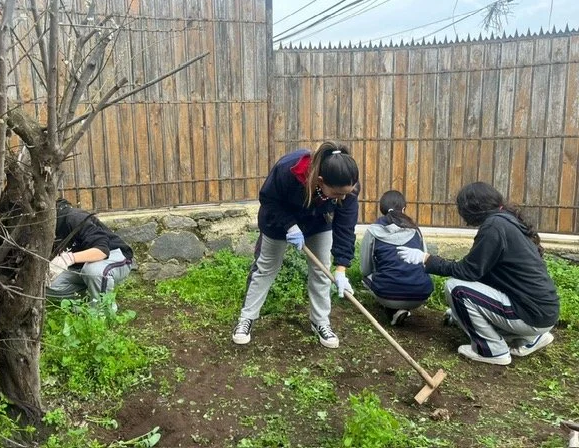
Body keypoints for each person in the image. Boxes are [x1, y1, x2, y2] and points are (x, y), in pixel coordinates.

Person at [397, 182, 559, 365]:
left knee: (456, 288)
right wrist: (459, 313)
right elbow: (480, 271)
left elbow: (467, 271)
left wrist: (427, 259)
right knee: (465, 295)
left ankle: (492, 351)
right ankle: (531, 339)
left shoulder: (494, 227)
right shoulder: (507, 221)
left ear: (471, 209)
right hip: (544, 312)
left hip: (530, 314)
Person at [232, 141, 360, 349]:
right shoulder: (289, 170)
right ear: (320, 181)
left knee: (321, 270)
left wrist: (341, 268)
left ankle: (320, 322)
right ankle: (246, 318)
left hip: (317, 222)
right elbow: (268, 199)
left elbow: (345, 226)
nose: (343, 198)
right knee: (265, 268)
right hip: (277, 221)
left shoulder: (347, 182)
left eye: (347, 193)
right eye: (337, 194)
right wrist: (290, 226)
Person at [360, 190, 433, 326]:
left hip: (388, 295)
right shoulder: (416, 230)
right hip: (421, 294)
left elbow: (365, 269)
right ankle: (401, 309)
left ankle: (392, 310)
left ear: (382, 209)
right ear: (403, 209)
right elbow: (425, 262)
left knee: (366, 278)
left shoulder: (373, 231)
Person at [47, 198, 134, 309]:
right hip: (81, 266)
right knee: (45, 284)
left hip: (114, 256)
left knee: (93, 271)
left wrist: (68, 259)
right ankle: (87, 301)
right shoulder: (38, 227)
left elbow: (102, 251)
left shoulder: (74, 217)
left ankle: (103, 313)